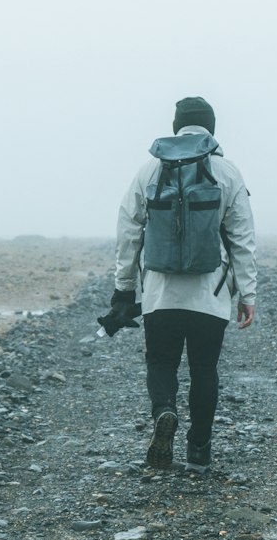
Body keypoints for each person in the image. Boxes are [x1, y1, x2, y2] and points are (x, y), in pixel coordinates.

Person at [103, 96, 257, 471]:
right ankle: (199, 451)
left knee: (161, 362)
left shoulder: (149, 171)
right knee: (205, 369)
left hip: (160, 294)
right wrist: (247, 293)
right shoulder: (228, 172)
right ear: (212, 127)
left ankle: (165, 411)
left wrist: (124, 289)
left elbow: (128, 231)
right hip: (211, 295)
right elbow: (242, 238)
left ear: (176, 126)